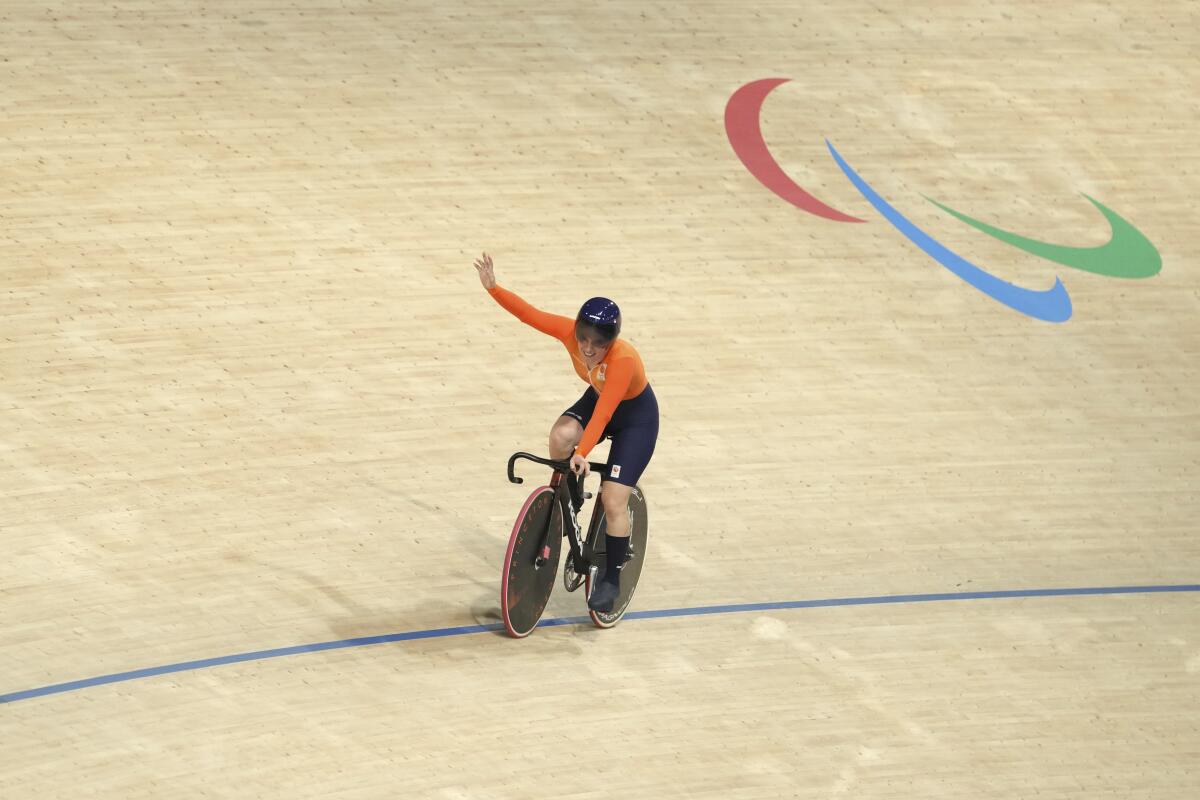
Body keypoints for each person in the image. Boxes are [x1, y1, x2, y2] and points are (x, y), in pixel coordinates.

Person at [473, 252, 658, 613]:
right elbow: (532, 316)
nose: (587, 349)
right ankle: (568, 502)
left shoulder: (623, 360)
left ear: (612, 342)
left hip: (634, 418)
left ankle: (611, 578)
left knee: (613, 499)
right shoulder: (570, 335)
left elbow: (604, 416)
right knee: (560, 437)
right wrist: (494, 288)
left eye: (598, 344)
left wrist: (583, 452)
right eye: (583, 339)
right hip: (602, 399)